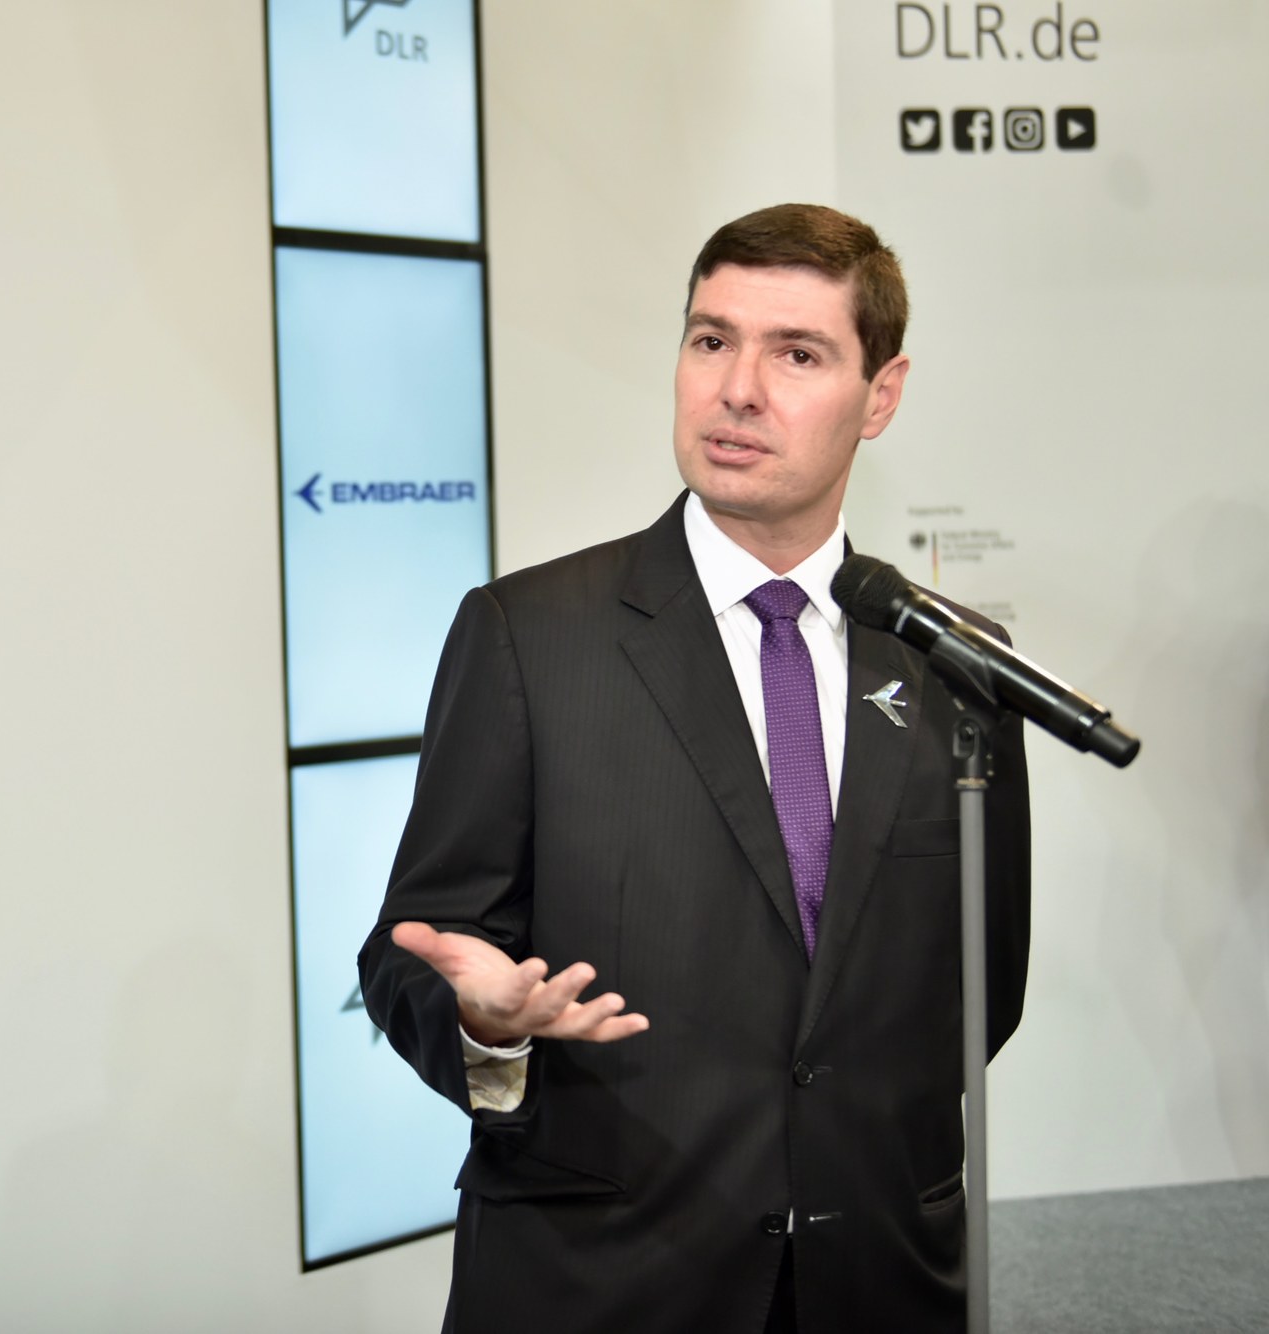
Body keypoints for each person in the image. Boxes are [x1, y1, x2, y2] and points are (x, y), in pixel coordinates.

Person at [358, 203, 1030, 1334]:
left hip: (878, 1276)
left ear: (881, 395)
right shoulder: (530, 635)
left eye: (797, 354)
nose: (737, 390)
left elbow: (979, 995)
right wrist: (488, 1025)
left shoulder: (954, 663)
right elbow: (416, 948)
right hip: (605, 1281)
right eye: (711, 340)